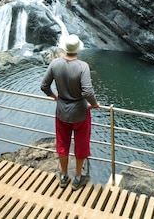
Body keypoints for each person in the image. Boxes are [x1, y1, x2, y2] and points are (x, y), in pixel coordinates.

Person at [41, 34, 100, 190]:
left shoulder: (55, 64)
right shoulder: (83, 66)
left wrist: (56, 98)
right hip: (80, 112)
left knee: (62, 144)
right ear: (78, 49)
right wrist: (94, 104)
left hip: (61, 111)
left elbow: (44, 86)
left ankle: (64, 176)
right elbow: (87, 91)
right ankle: (78, 178)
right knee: (81, 145)